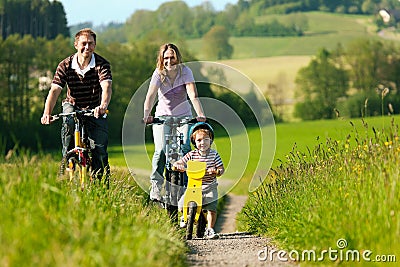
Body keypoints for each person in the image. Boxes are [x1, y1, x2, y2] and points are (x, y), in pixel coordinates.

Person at [40, 28, 112, 183]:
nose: (87, 47)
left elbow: (106, 87)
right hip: (73, 104)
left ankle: (101, 188)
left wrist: (102, 105)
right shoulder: (65, 65)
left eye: (91, 44)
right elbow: (54, 90)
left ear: (95, 45)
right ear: (76, 45)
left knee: (99, 150)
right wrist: (47, 113)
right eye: (83, 43)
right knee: (69, 123)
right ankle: (67, 159)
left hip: (95, 108)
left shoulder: (102, 64)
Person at [143, 43, 206, 201]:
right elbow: (150, 95)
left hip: (184, 116)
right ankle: (156, 186)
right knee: (161, 150)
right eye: (166, 58)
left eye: (172, 57)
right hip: (162, 117)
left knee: (185, 147)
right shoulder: (158, 73)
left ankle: (186, 185)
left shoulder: (185, 71)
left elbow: (192, 94)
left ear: (177, 57)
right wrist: (147, 114)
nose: (169, 61)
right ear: (161, 59)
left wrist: (200, 114)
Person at [173, 122, 224, 239]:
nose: (203, 143)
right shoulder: (191, 155)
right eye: (199, 140)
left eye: (206, 139)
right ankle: (184, 217)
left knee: (211, 207)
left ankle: (210, 229)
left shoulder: (214, 155)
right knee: (181, 204)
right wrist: (178, 165)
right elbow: (180, 162)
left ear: (211, 140)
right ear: (194, 142)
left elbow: (221, 169)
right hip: (193, 186)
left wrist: (216, 171)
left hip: (209, 186)